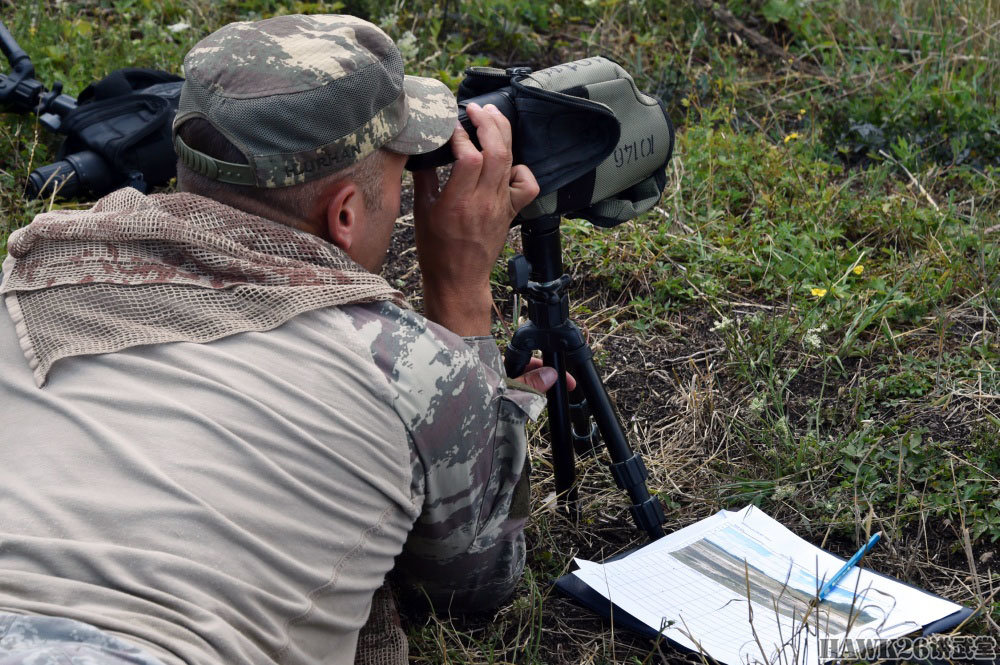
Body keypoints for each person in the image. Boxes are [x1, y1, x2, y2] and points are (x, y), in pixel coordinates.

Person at [0, 14, 556, 665]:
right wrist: (461, 302)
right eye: (398, 176)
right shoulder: (404, 366)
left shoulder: (30, 277)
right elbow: (476, 583)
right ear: (344, 214)